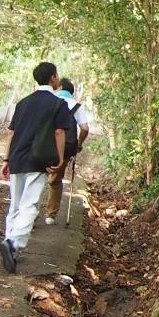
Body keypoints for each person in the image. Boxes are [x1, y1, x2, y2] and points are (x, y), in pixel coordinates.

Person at [0, 62, 72, 273]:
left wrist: (6, 159)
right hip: (38, 160)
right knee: (30, 205)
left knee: (15, 205)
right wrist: (59, 159)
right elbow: (59, 133)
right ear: (53, 78)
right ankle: (13, 244)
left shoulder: (23, 103)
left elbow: (12, 133)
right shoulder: (58, 104)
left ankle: (10, 245)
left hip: (17, 158)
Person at [43, 76, 90, 226]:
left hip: (45, 143)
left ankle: (29, 213)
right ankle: (51, 214)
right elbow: (84, 128)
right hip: (66, 147)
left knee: (36, 177)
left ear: (61, 87)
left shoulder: (48, 101)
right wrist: (79, 144)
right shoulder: (76, 105)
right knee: (56, 180)